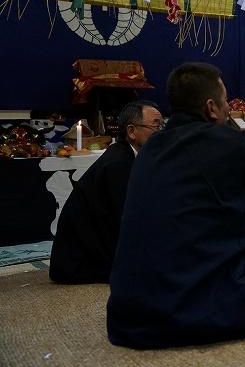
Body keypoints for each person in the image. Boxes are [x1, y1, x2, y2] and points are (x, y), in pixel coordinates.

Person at [107, 63, 245, 349]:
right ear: (211, 107)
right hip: (181, 306)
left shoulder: (151, 148)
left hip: (128, 310)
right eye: (226, 100)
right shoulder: (221, 140)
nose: (229, 107)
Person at [49, 101, 163, 284]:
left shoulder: (130, 155)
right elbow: (124, 218)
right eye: (156, 126)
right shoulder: (117, 164)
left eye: (162, 125)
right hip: (80, 259)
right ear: (132, 131)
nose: (161, 132)